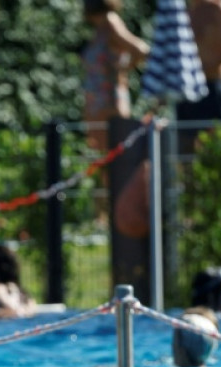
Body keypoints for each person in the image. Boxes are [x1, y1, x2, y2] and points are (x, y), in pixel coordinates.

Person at [80, 0, 149, 224]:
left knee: (116, 166)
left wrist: (124, 71)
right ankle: (107, 218)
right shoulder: (100, 28)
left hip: (110, 105)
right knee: (104, 167)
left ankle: (121, 217)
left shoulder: (110, 22)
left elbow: (141, 49)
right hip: (98, 107)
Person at [176, 0, 221, 153]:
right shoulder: (186, 11)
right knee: (184, 149)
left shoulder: (217, 9)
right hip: (187, 89)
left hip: (211, 87)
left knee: (214, 148)